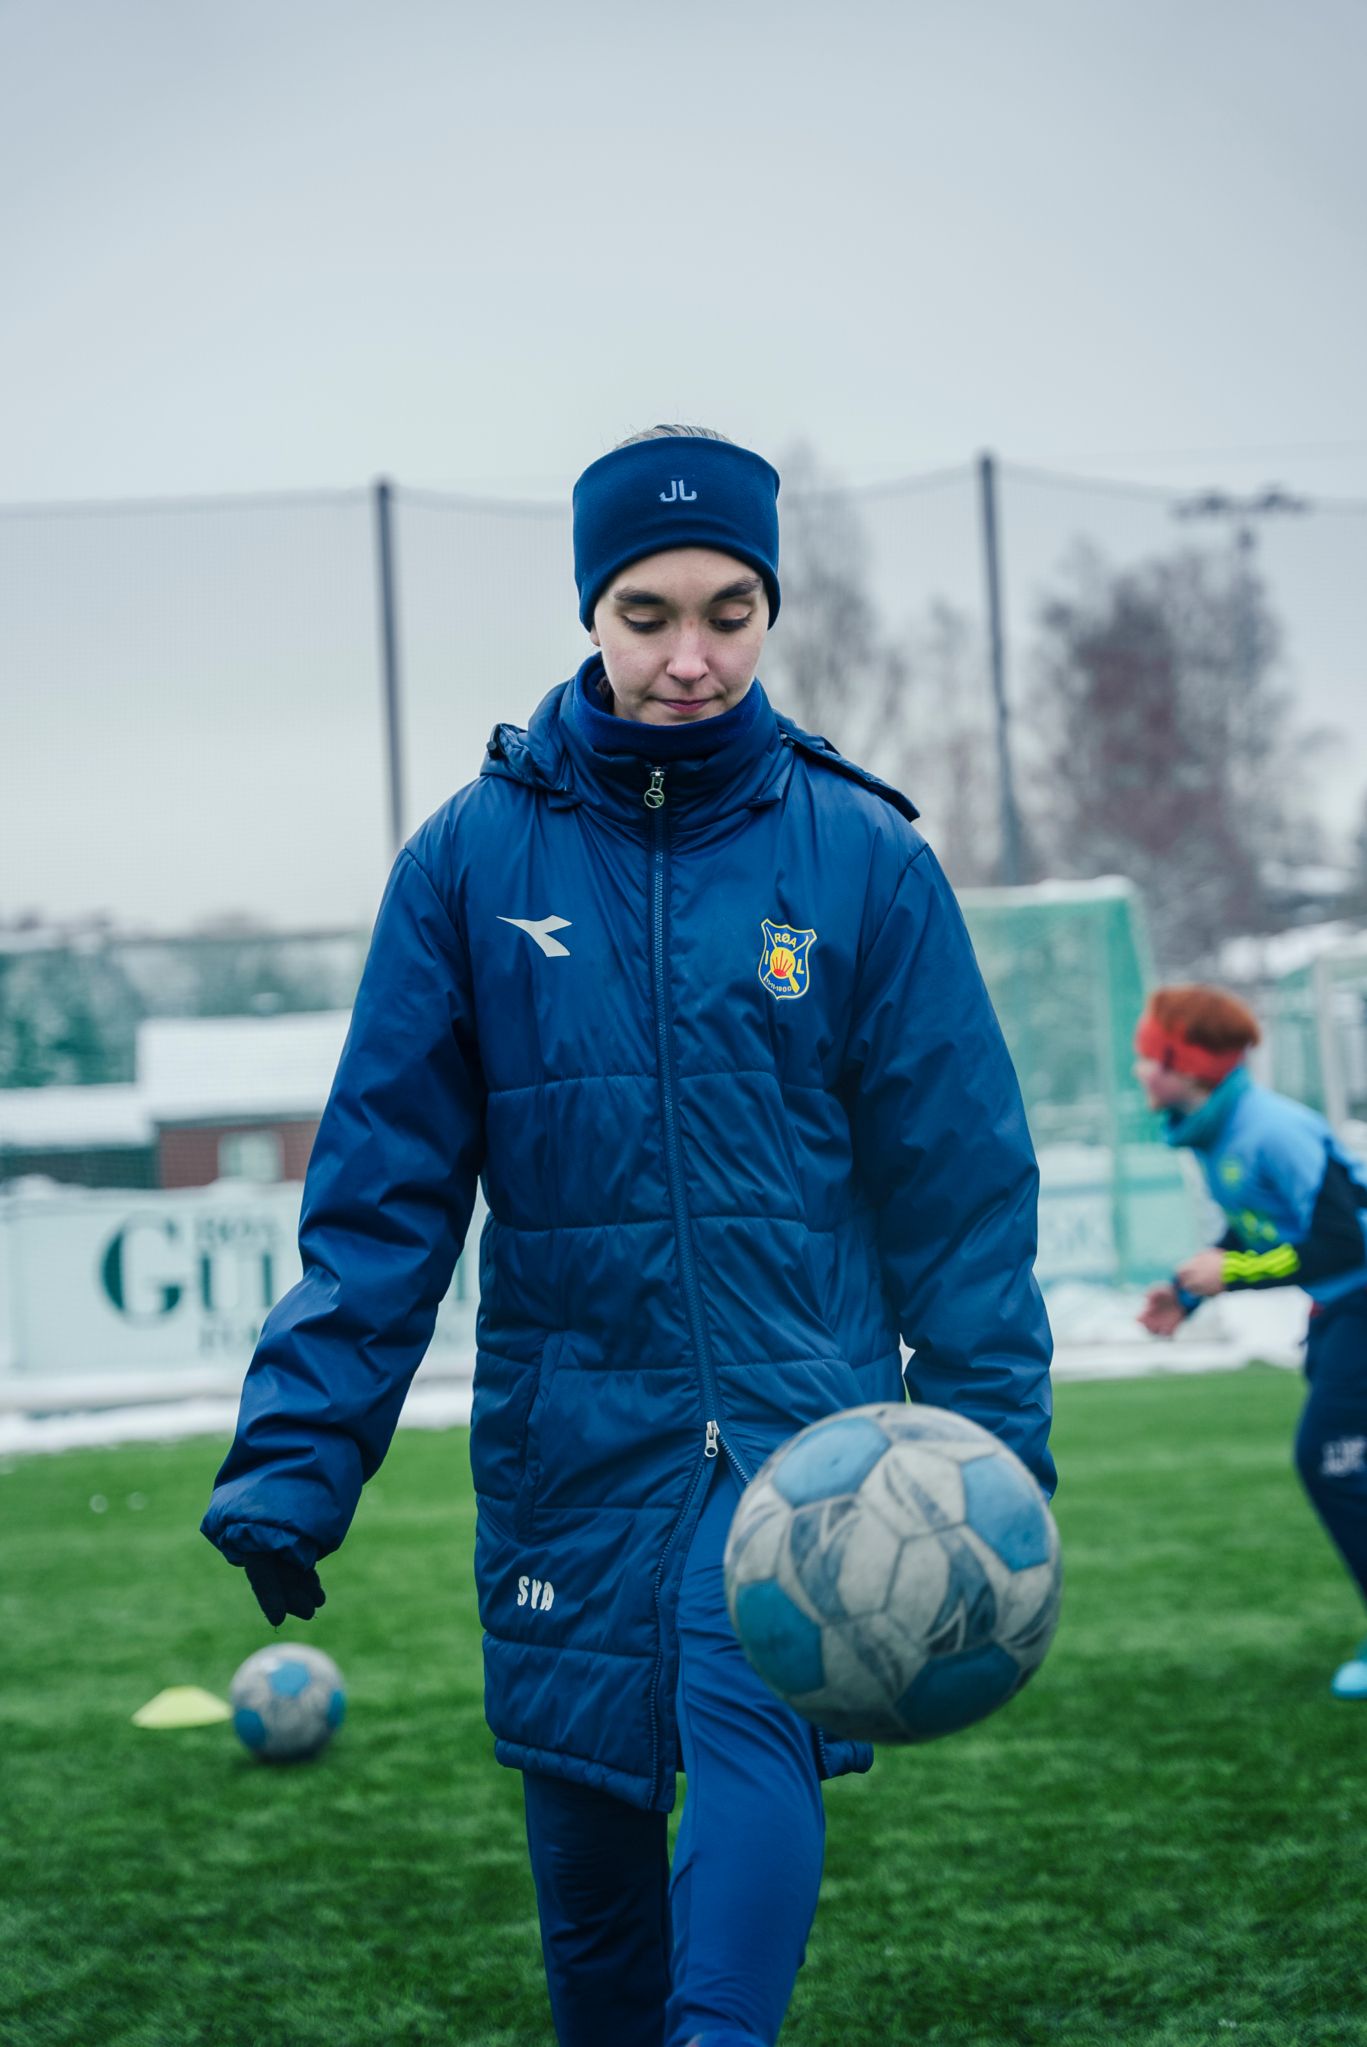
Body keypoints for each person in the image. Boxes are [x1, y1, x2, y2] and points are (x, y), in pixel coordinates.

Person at [202, 425, 1056, 2047]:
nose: (689, 658)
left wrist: (989, 1454)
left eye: (729, 613)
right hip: (569, 1435)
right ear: (591, 610)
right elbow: (382, 1194)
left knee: (747, 1717)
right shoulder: (467, 860)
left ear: (768, 609)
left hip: (803, 1437)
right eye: (647, 614)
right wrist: (296, 1457)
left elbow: (959, 1187)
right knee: (589, 1848)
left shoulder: (862, 855)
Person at [1134, 983, 1367, 1699]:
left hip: (1359, 1301)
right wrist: (1188, 1292)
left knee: (1330, 1461)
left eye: (1148, 1055)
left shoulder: (1270, 1128)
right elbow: (1263, 1226)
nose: (1139, 1069)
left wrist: (1229, 1274)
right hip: (1341, 1309)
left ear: (1184, 1065)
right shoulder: (1217, 1130)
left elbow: (1342, 1240)